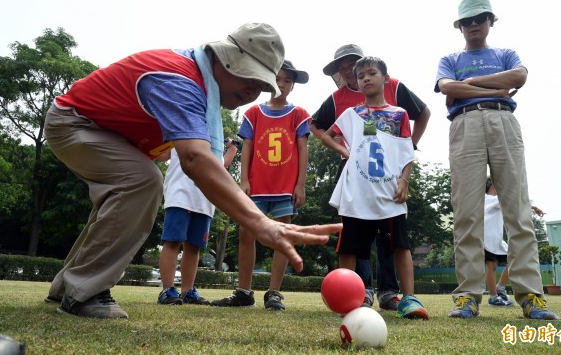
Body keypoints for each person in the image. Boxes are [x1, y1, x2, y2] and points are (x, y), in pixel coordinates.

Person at [42, 23, 342, 319]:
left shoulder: (198, 80)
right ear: (225, 58)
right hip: (75, 122)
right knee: (141, 181)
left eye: (262, 86)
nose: (253, 91)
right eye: (250, 76)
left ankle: (68, 285)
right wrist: (262, 224)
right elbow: (196, 160)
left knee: (122, 196)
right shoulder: (181, 80)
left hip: (102, 130)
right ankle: (84, 291)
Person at [435, 0, 559, 320]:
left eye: (480, 18)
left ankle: (531, 295)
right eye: (467, 20)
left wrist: (471, 83)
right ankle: (467, 297)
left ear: (491, 20)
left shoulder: (506, 53)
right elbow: (447, 87)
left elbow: (519, 76)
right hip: (465, 124)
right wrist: (493, 88)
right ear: (460, 26)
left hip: (504, 121)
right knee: (466, 213)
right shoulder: (449, 58)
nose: (473, 24)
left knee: (518, 210)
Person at [310, 44, 431, 310]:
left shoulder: (399, 115)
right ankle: (349, 297)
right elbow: (328, 134)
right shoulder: (352, 113)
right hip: (357, 191)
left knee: (399, 244)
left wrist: (404, 180)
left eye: (371, 73)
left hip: (389, 190)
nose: (365, 78)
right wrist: (346, 151)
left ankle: (408, 298)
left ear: (385, 78)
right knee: (350, 247)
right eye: (360, 74)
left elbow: (405, 151)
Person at [211, 60, 311, 311]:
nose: (281, 84)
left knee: (282, 237)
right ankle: (244, 291)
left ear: (293, 85)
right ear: (268, 81)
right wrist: (243, 180)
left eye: (287, 80)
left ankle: (274, 292)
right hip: (256, 186)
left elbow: (302, 150)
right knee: (246, 234)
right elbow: (247, 148)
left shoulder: (298, 114)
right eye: (277, 78)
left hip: (284, 187)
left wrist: (300, 184)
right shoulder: (254, 113)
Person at [155, 138, 239, 306]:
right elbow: (162, 155)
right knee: (172, 241)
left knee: (194, 246)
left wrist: (233, 149)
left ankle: (188, 291)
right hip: (180, 193)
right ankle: (167, 290)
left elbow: (220, 165)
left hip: (204, 200)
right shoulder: (181, 126)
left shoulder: (214, 137)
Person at [484, 177, 547, 307]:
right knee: (491, 266)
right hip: (486, 239)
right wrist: (534, 207)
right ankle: (493, 296)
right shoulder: (488, 199)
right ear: (492, 186)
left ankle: (500, 287)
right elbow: (513, 202)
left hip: (496, 240)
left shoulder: (496, 200)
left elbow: (512, 203)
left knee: (514, 259)